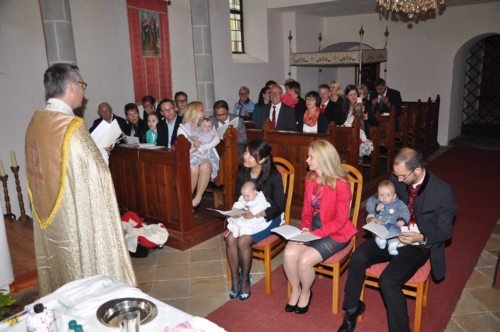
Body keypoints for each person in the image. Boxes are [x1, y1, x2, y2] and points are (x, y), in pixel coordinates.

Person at [24, 63, 136, 296]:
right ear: (70, 86)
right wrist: (103, 152)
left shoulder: (37, 120)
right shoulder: (70, 126)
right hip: (72, 212)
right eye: (82, 85)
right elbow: (96, 172)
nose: (84, 93)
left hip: (51, 212)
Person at [338, 147, 457, 332]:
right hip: (391, 233)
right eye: (396, 175)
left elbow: (445, 231)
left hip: (417, 243)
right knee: (357, 258)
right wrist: (371, 216)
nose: (398, 180)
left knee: (388, 280)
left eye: (402, 176)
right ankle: (353, 309)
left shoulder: (442, 192)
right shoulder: (398, 177)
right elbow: (379, 200)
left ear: (417, 170)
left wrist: (422, 236)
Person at [283, 140, 356, 314]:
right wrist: (306, 228)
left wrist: (317, 234)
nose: (307, 160)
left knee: (305, 261)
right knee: (289, 253)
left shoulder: (341, 185)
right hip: (315, 228)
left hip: (337, 233)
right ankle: (296, 289)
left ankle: (307, 292)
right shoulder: (311, 179)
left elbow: (341, 220)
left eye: (311, 157)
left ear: (323, 160)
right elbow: (307, 210)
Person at [226, 139, 285, 300]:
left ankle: (245, 279)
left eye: (251, 155)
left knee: (243, 241)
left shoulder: (273, 176)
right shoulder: (243, 173)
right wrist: (238, 210)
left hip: (267, 216)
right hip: (247, 217)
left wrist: (257, 214)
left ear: (262, 159)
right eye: (245, 152)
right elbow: (238, 198)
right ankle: (235, 278)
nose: (245, 157)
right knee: (231, 239)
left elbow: (280, 205)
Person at [177, 101, 220, 208]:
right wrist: (193, 145)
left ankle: (198, 198)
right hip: (190, 157)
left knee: (206, 166)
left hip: (206, 155)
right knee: (194, 168)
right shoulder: (183, 128)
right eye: (201, 110)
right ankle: (187, 199)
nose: (204, 112)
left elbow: (216, 138)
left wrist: (203, 147)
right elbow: (182, 148)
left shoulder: (206, 122)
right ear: (194, 112)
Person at [366, 180, 410, 256]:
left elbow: (405, 211)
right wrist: (376, 208)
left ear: (394, 196)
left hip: (394, 223)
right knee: (378, 229)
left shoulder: (398, 203)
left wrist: (402, 220)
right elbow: (370, 207)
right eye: (381, 195)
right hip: (381, 223)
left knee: (395, 231)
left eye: (388, 195)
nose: (384, 198)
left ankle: (392, 246)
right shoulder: (377, 202)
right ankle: (380, 239)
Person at [341, 85, 374, 158]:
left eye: (355, 94)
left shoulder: (363, 104)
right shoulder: (343, 105)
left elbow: (375, 122)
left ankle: (355, 161)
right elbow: (339, 121)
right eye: (350, 95)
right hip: (345, 131)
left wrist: (367, 118)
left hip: (358, 131)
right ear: (346, 96)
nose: (353, 97)